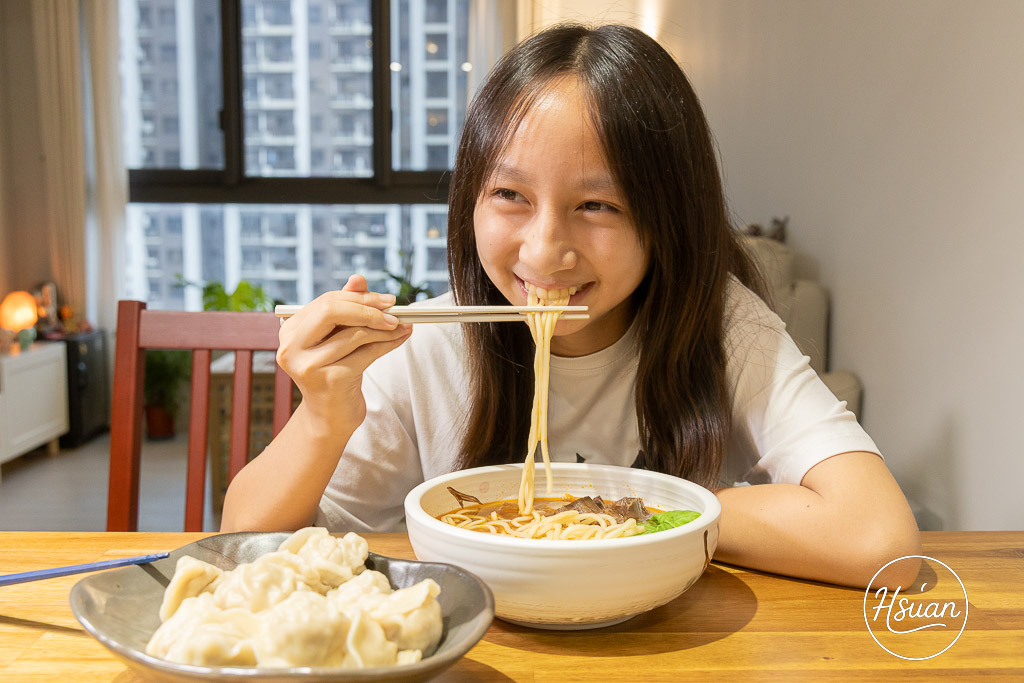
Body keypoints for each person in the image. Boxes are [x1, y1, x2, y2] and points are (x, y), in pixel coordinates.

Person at [222, 23, 920, 588]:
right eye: (510, 196)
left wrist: (629, 515)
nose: (545, 248)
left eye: (597, 205)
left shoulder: (719, 325)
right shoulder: (427, 348)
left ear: (666, 218)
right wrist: (323, 415)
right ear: (469, 198)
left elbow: (879, 538)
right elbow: (243, 548)